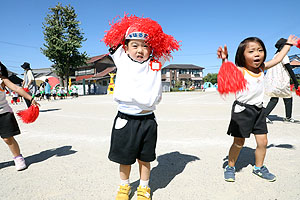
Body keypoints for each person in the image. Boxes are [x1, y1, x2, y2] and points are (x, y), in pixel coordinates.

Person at [103, 15, 180, 200]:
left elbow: (166, 46)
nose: (140, 49)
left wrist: (154, 34)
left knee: (145, 158)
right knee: (124, 158)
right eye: (135, 45)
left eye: (145, 45)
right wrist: (130, 25)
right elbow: (113, 39)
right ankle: (124, 187)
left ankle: (144, 188)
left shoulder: (155, 62)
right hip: (125, 119)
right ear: (126, 47)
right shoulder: (121, 58)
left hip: (148, 119)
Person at [217, 35, 299, 182]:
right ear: (242, 56)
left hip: (259, 111)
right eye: (251, 51)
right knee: (239, 142)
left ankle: (259, 168)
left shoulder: (262, 68)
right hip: (242, 111)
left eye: (260, 50)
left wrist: (288, 44)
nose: (257, 54)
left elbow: (278, 58)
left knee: (263, 142)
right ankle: (230, 166)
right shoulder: (241, 70)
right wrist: (224, 59)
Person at [0, 61, 39, 170]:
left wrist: (30, 98)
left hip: (3, 113)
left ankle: (18, 158)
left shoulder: (2, 79)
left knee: (8, 139)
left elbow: (17, 88)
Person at [264, 38, 300, 123]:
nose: (289, 48)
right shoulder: (283, 56)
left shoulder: (275, 55)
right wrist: (295, 82)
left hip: (274, 81)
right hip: (281, 82)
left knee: (280, 98)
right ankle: (264, 116)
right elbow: (289, 69)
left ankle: (286, 117)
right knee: (283, 98)